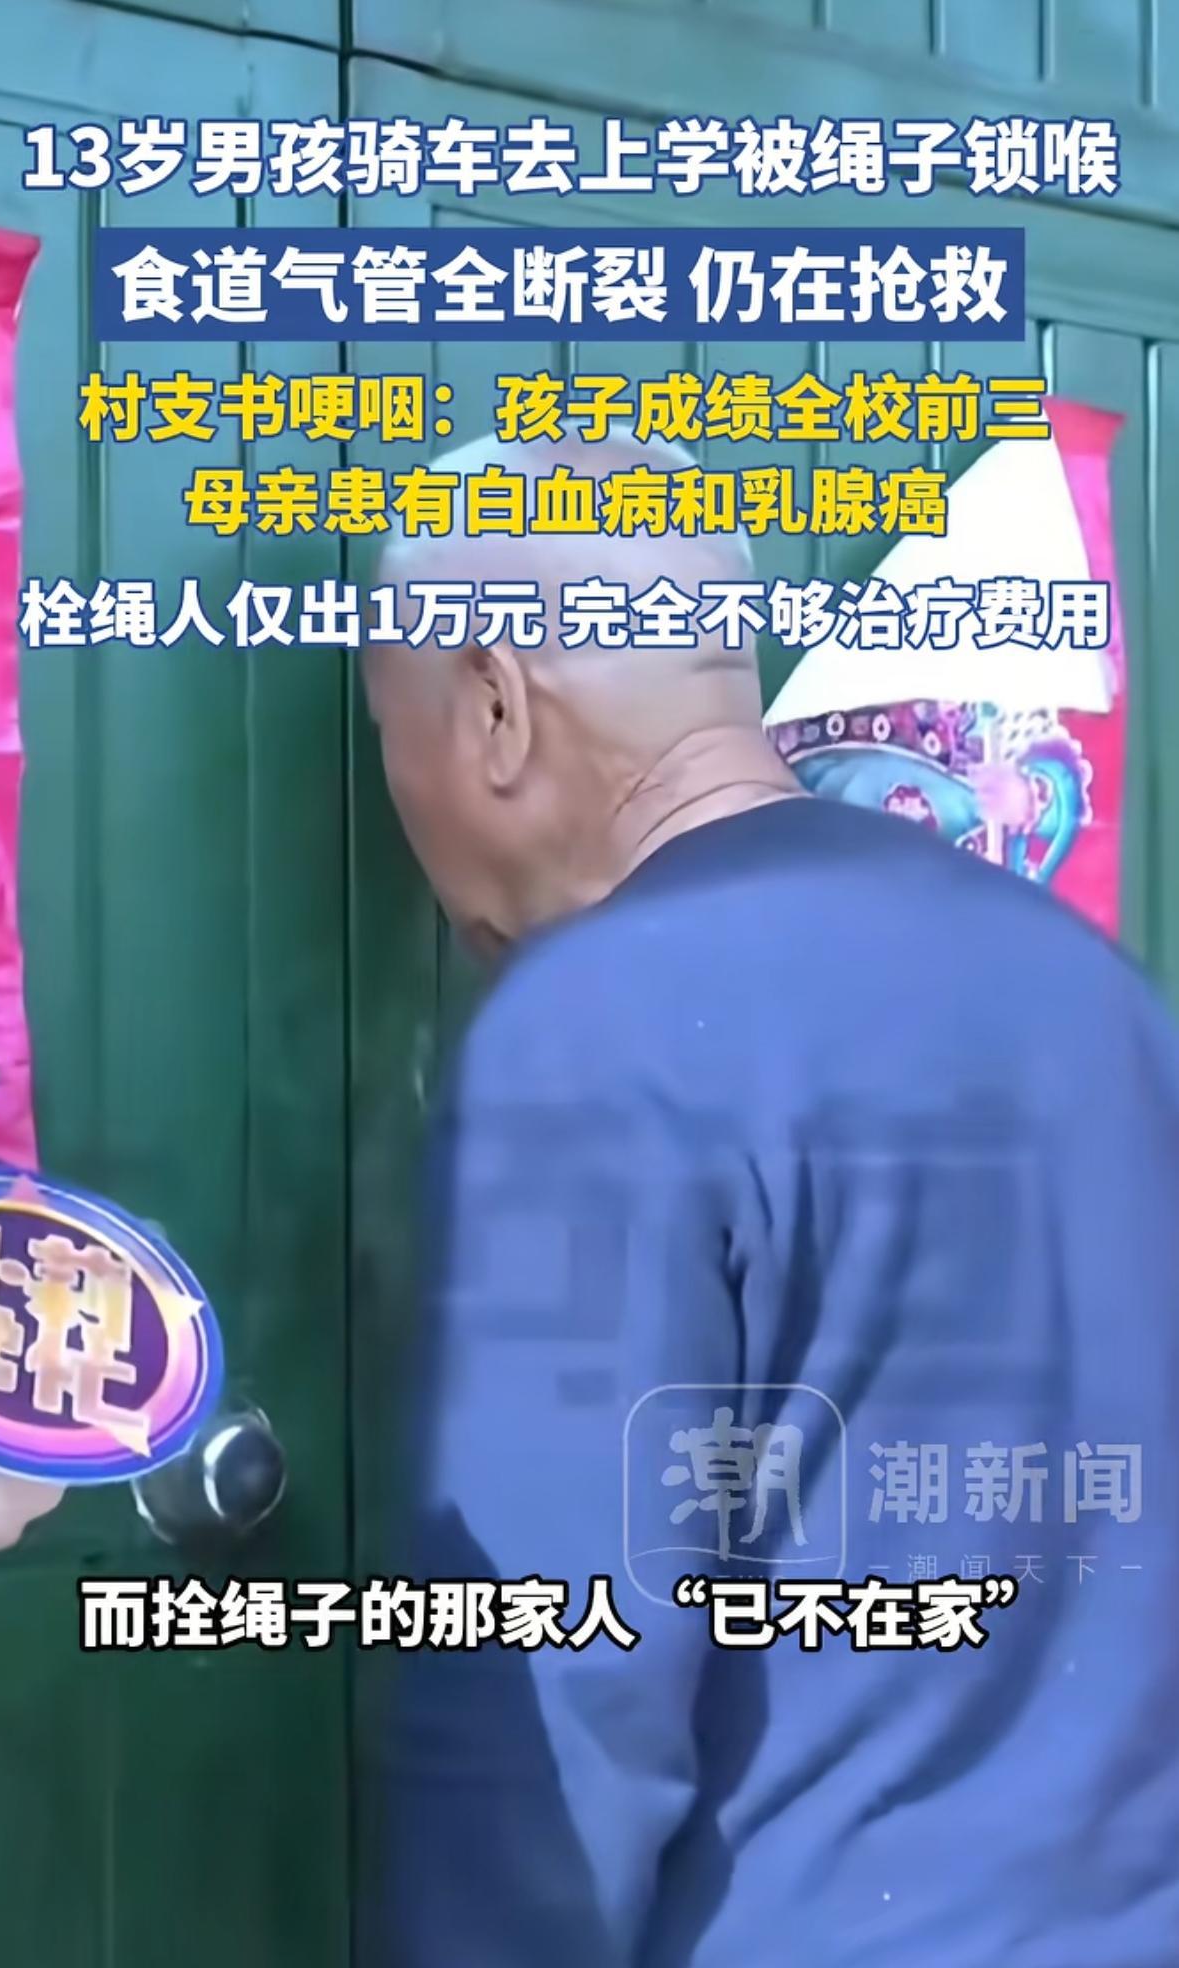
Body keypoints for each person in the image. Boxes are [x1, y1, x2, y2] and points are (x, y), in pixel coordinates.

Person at [364, 429, 1179, 1967]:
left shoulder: (590, 1027)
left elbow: (552, 1676)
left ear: (494, 706)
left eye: (389, 731)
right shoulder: (1100, 997)